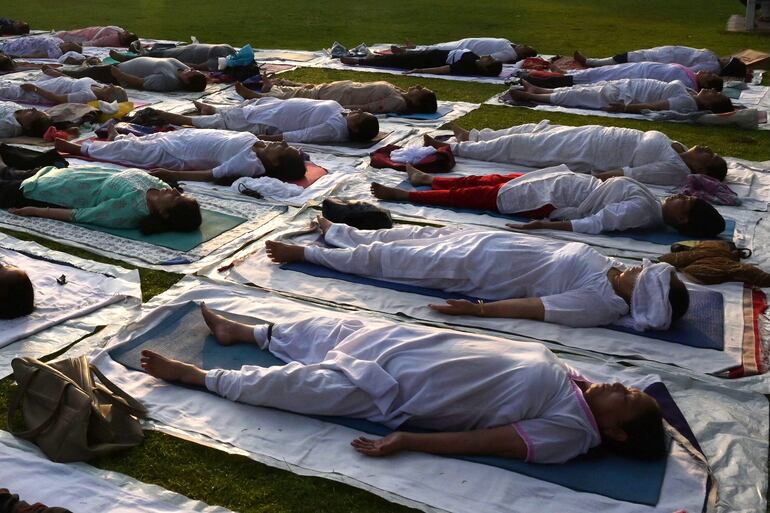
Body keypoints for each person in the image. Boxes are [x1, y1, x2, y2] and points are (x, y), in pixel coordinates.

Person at [140, 303, 667, 464]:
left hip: (399, 388)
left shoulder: (571, 432)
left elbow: (485, 442)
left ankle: (203, 377)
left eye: (626, 396)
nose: (618, 386)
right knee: (332, 328)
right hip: (416, 345)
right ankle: (250, 331)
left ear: (615, 433)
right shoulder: (585, 389)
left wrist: (409, 440)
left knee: (304, 387)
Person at [265, 218, 690, 330]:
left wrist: (480, 311)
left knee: (386, 260)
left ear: (642, 298)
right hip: (484, 243)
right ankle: (339, 232)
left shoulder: (600, 304)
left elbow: (535, 308)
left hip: (476, 269)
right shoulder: (610, 270)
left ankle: (304, 253)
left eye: (645, 276)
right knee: (404, 236)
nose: (640, 266)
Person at [372, 164, 726, 237]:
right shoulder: (655, 201)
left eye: (687, 205)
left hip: (554, 200)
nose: (682, 198)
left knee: (480, 196)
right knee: (492, 178)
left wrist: (547, 224)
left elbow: (595, 223)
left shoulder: (643, 212)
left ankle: (407, 194)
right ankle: (429, 177)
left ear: (682, 222)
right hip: (569, 182)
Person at [436, 122, 727, 186]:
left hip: (591, 152)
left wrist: (584, 180)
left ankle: (457, 148)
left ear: (701, 171)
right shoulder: (678, 148)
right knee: (534, 132)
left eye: (709, 156)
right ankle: (475, 136)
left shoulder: (674, 170)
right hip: (594, 134)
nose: (706, 149)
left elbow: (627, 174)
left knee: (521, 147)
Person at [0, 164, 202, 234]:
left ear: (164, 213)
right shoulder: (162, 188)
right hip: (57, 175)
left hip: (45, 192)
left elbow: (80, 214)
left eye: (177, 199)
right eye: (180, 194)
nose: (175, 192)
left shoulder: (130, 210)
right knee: (7, 171)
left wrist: (34, 211)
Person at [54, 128, 308, 182]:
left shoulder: (249, 164)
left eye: (283, 149)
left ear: (274, 162)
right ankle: (114, 138)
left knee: (132, 151)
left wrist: (171, 174)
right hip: (183, 137)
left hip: (176, 154)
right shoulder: (260, 146)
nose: (282, 143)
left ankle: (82, 149)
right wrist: (300, 156)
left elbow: (212, 174)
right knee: (144, 140)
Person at [151, 97, 380, 143]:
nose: (357, 110)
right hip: (275, 108)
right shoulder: (342, 117)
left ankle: (177, 119)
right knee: (249, 106)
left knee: (226, 122)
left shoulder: (334, 129)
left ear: (356, 126)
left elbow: (302, 136)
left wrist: (264, 137)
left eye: (360, 115)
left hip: (270, 122)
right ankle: (212, 108)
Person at [505, 78, 734, 115]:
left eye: (714, 95)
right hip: (627, 87)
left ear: (708, 105)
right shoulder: (692, 94)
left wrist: (624, 109)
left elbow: (655, 106)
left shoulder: (687, 102)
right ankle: (540, 90)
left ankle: (534, 97)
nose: (712, 90)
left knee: (580, 96)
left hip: (625, 96)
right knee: (581, 91)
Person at [237, 78, 438, 115]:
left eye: (421, 90)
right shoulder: (399, 93)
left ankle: (256, 96)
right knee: (306, 91)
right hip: (341, 91)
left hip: (342, 99)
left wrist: (343, 110)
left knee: (301, 97)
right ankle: (270, 89)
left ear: (418, 100)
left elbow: (370, 108)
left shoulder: (398, 102)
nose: (418, 86)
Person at [524, 62, 724, 92]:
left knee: (589, 79)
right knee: (591, 74)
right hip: (636, 68)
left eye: (710, 75)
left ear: (706, 83)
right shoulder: (691, 75)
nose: (707, 72)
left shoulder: (687, 84)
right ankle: (539, 78)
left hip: (634, 76)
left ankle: (535, 81)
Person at [57, 57, 207, 92]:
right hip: (121, 65)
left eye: (191, 73)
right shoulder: (182, 71)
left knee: (82, 74)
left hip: (115, 74)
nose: (190, 70)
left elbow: (140, 82)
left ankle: (59, 73)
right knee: (87, 67)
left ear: (187, 82)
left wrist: (119, 75)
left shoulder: (168, 81)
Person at [573, 46, 748, 77]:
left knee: (625, 59)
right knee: (626, 57)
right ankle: (592, 63)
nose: (725, 57)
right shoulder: (714, 58)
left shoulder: (712, 66)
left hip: (663, 60)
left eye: (729, 60)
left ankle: (590, 63)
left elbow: (686, 70)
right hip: (664, 53)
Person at [341, 49, 503, 76]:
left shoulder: (467, 67)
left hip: (427, 60)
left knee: (395, 61)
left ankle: (358, 61)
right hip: (431, 53)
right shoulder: (474, 59)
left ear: (486, 68)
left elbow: (443, 69)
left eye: (490, 60)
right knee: (397, 59)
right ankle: (377, 58)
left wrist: (420, 71)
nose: (488, 56)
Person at [392, 37, 537, 64]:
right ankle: (414, 48)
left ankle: (408, 53)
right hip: (465, 42)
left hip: (465, 49)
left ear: (523, 54)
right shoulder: (510, 45)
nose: (522, 44)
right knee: (438, 46)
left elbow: (489, 58)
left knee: (436, 51)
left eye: (524, 47)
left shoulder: (509, 54)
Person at [0, 75, 128, 104]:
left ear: (108, 98)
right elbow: (73, 79)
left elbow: (57, 99)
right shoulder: (98, 86)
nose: (110, 85)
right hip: (51, 82)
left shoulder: (87, 96)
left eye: (112, 88)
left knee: (9, 91)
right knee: (8, 83)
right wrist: (55, 72)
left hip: (42, 91)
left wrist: (34, 89)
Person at [109, 43, 236, 71]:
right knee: (163, 51)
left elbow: (200, 66)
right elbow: (202, 66)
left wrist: (183, 65)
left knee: (159, 55)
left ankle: (127, 59)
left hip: (190, 53)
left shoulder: (226, 57)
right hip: (191, 51)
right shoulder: (228, 54)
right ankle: (143, 52)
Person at [0, 36, 82, 59]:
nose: (69, 42)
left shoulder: (56, 53)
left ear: (68, 49)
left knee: (5, 47)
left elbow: (38, 55)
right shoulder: (60, 41)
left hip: (20, 48)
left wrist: (20, 56)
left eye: (70, 43)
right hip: (23, 41)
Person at [54, 26, 138, 47]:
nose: (126, 32)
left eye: (127, 34)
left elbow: (94, 43)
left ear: (123, 39)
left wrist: (79, 44)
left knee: (62, 36)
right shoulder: (119, 32)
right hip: (91, 31)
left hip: (86, 37)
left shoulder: (113, 38)